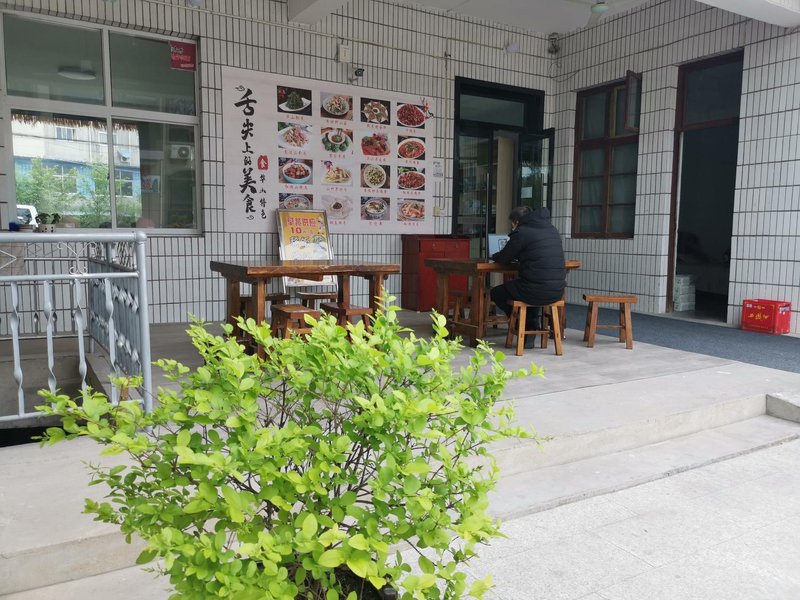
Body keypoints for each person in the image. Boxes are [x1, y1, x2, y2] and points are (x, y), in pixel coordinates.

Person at [489, 205, 566, 347]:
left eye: (512, 224)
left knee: (497, 292)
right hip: (557, 291)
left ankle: (521, 324)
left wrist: (494, 256)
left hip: (534, 290)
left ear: (516, 221)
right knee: (528, 287)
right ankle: (531, 326)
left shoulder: (522, 232)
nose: (512, 227)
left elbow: (504, 258)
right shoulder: (552, 230)